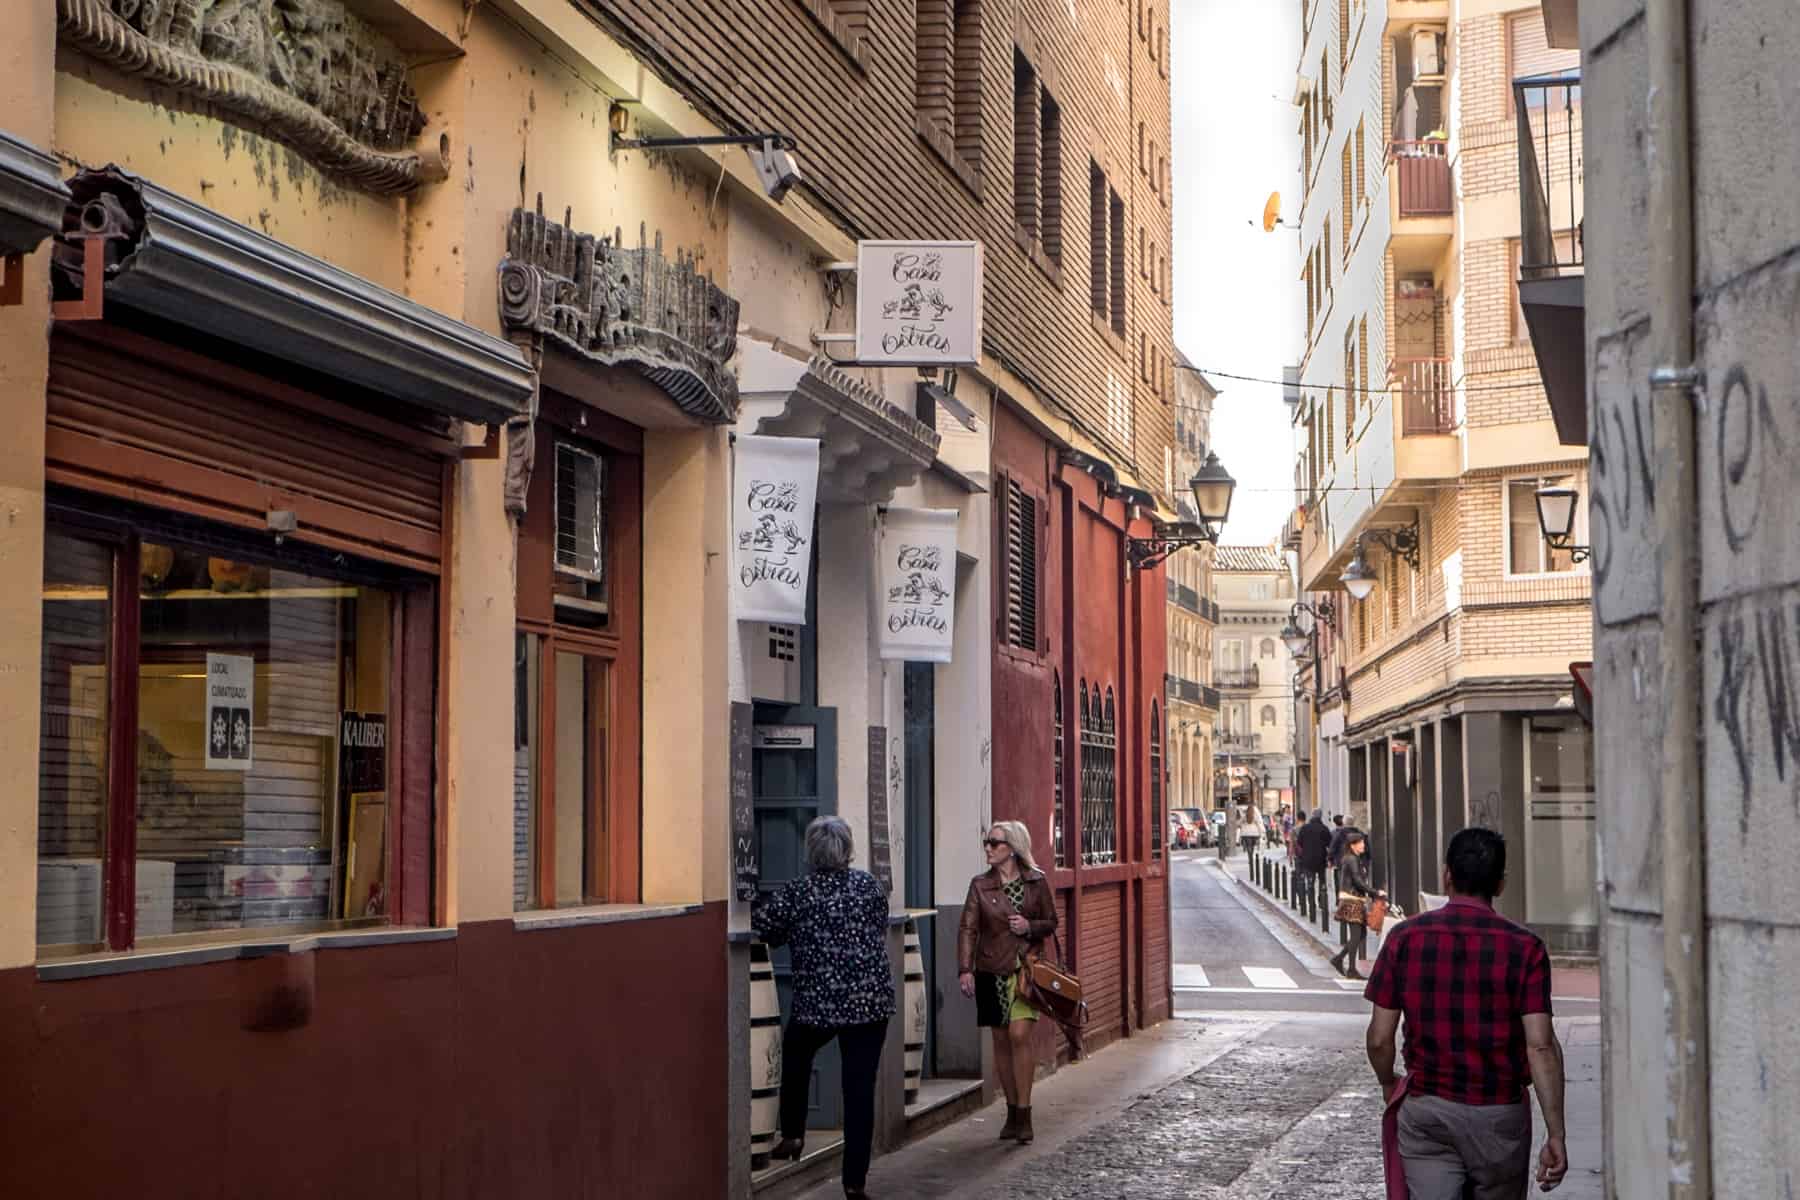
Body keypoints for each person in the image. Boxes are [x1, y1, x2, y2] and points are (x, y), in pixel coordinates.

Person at [1364, 828, 1568, 1198]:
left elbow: (1380, 1038)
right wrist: (1556, 1133)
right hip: (1498, 1119)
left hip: (1429, 1111)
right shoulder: (1526, 948)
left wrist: (1387, 1082)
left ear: (1447, 876)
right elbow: (1540, 1047)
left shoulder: (1404, 939)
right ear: (1500, 885)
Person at [753, 816, 894, 1199]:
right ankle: (854, 1183)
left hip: (819, 1004)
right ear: (847, 849)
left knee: (796, 1053)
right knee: (859, 1090)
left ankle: (794, 1133)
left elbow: (764, 929)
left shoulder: (798, 892)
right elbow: (880, 925)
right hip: (869, 1003)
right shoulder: (868, 885)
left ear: (810, 852)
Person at [957, 820, 1057, 1146]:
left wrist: (1029, 926)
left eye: (994, 843)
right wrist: (965, 969)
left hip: (1025, 972)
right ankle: (1012, 1111)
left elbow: (1051, 922)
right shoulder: (979, 886)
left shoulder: (1036, 882)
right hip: (990, 970)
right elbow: (968, 929)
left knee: (1019, 1036)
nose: (988, 848)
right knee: (1000, 1042)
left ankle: (1025, 1113)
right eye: (986, 842)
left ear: (1012, 848)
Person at [1329, 831, 1381, 979]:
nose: (1364, 845)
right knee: (1357, 935)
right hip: (1352, 900)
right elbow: (1358, 881)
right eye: (1361, 843)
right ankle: (1349, 967)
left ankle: (1340, 960)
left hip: (1355, 900)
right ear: (1353, 845)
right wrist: (1374, 892)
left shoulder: (1354, 858)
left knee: (1360, 934)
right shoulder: (1351, 859)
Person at [1294, 809, 1332, 921]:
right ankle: (1322, 899)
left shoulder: (1305, 828)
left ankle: (1312, 903)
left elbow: (1299, 842)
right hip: (1320, 859)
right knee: (1322, 880)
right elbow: (1329, 843)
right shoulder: (1324, 829)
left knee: (1310, 881)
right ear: (1320, 817)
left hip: (1308, 859)